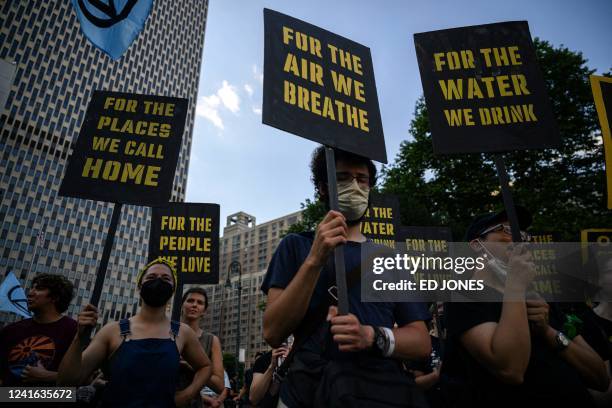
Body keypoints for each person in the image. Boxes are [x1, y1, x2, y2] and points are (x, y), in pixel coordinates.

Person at [262, 146, 431, 407]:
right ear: (323, 187)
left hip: (375, 391)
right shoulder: (296, 245)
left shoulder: (390, 258)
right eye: (342, 178)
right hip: (307, 392)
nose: (354, 186)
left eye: (361, 179)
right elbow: (273, 331)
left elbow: (421, 342)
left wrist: (371, 336)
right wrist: (314, 260)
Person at [442, 207, 609, 407]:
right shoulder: (464, 296)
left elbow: (600, 378)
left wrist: (547, 331)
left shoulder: (541, 300)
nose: (519, 240)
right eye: (506, 230)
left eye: (523, 235)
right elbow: (510, 370)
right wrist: (515, 285)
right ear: (477, 245)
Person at [58, 258, 212, 407]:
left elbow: (205, 366)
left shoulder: (183, 333)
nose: (158, 281)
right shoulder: (112, 331)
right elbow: (67, 382)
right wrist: (79, 338)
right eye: (151, 277)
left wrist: (186, 395)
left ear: (173, 290)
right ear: (139, 286)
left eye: (166, 278)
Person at [0, 273, 76, 386]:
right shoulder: (11, 331)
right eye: (32, 288)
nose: (30, 293)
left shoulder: (73, 330)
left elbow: (84, 378)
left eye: (39, 289)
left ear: (54, 297)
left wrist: (49, 376)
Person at [178, 287, 225, 407]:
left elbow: (219, 385)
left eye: (200, 303)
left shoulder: (212, 340)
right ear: (182, 305)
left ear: (204, 311)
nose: (194, 305)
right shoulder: (166, 331)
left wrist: (196, 367)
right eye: (190, 301)